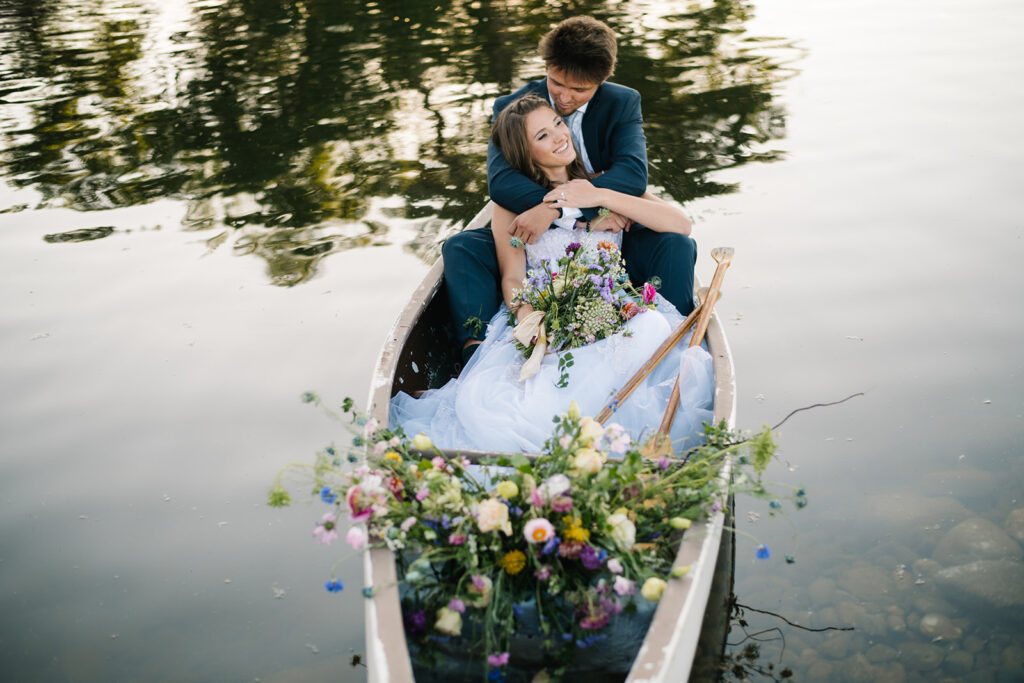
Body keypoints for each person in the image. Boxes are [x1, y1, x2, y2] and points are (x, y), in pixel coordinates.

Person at [390, 95, 713, 453]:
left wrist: (601, 197)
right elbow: (513, 277)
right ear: (526, 154)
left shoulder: (602, 183)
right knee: (523, 387)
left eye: (558, 124)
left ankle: (594, 412)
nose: (560, 136)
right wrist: (528, 316)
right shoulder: (510, 205)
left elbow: (681, 225)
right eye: (542, 136)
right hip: (549, 310)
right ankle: (573, 420)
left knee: (653, 325)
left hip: (612, 307)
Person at [442, 16, 697, 367]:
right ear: (548, 66)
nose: (564, 98)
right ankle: (472, 351)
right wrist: (566, 213)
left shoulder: (622, 103)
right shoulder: (511, 110)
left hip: (611, 221)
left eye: (579, 91)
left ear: (601, 82)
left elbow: (634, 176)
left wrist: (588, 201)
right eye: (557, 83)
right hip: (532, 220)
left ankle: (678, 341)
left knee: (677, 245)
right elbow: (501, 185)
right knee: (461, 246)